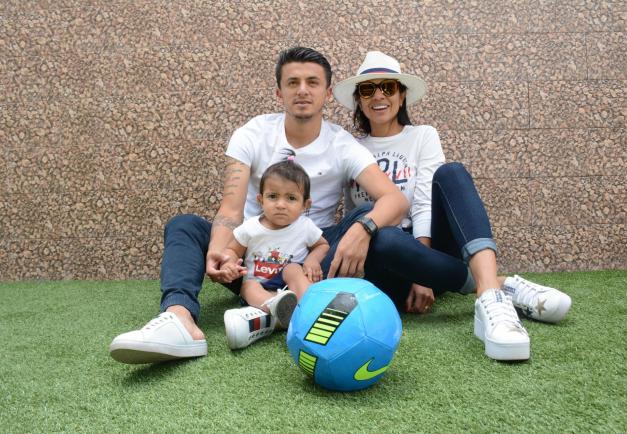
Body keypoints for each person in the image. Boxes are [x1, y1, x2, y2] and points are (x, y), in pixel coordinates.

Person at [108, 46, 408, 364]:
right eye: (292, 82)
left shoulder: (342, 143)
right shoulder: (253, 133)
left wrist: (363, 230)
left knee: (364, 214)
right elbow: (231, 209)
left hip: (311, 260)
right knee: (184, 226)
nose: (302, 90)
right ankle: (180, 320)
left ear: (328, 93)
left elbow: (395, 199)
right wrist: (222, 252)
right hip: (252, 257)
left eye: (312, 82)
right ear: (279, 92)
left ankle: (271, 314)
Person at [332, 51, 572, 361]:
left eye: (388, 87)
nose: (378, 96)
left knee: (452, 173)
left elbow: (423, 203)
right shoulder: (351, 147)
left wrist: (423, 274)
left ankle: (490, 298)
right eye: (368, 89)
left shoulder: (422, 136)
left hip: (430, 249)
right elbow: (351, 214)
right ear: (359, 100)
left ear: (402, 96)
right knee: (385, 238)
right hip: (385, 261)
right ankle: (500, 286)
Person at [220, 157, 329, 350]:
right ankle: (276, 311)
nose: (280, 204)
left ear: (305, 205)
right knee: (248, 286)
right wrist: (229, 264)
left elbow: (322, 245)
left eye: (291, 198)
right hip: (260, 288)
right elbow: (232, 250)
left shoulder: (305, 227)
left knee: (294, 268)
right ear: (260, 200)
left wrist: (312, 259)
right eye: (273, 196)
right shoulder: (250, 227)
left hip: (291, 288)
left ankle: (307, 310)